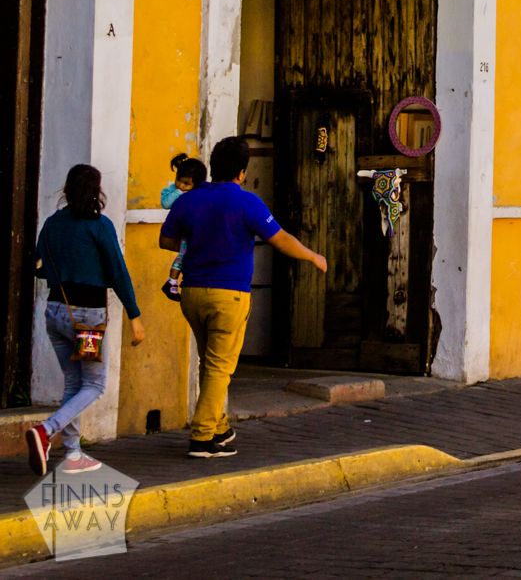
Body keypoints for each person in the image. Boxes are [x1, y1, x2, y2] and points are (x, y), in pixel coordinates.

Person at [161, 136, 326, 459]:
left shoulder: (188, 200)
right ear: (241, 172)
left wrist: (200, 241)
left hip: (192, 293)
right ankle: (202, 436)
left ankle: (220, 426)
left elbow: (167, 241)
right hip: (230, 294)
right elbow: (280, 240)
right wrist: (311, 256)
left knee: (210, 362)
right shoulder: (247, 202)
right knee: (221, 366)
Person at [24, 165, 144, 477]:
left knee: (75, 382)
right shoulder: (99, 226)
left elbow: (38, 267)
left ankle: (73, 452)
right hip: (86, 318)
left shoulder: (52, 224)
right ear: (96, 191)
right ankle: (46, 430)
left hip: (55, 311)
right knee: (94, 384)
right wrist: (134, 315)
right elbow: (118, 272)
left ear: (66, 189)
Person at [159, 153, 206, 301]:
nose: (181, 185)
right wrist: (179, 192)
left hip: (190, 230)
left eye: (186, 184)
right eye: (179, 180)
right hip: (181, 230)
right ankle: (171, 282)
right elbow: (166, 204)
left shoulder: (197, 195)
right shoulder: (172, 191)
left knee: (185, 254)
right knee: (183, 255)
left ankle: (173, 282)